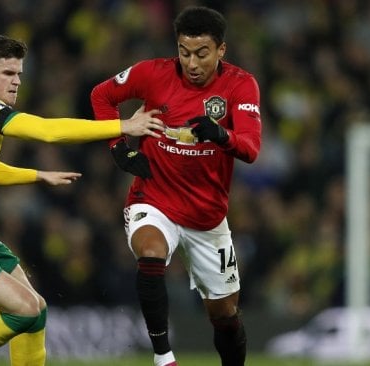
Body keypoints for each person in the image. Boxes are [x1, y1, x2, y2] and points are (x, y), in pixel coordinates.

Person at [0, 32, 164, 366]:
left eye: (20, 73)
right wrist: (123, 125)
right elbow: (47, 131)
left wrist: (37, 175)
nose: (17, 81)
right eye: (8, 73)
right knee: (23, 308)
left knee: (35, 310)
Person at [91, 6, 262, 366]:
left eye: (202, 54)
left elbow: (251, 147)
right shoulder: (152, 73)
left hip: (207, 216)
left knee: (225, 315)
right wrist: (118, 147)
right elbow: (101, 96)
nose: (192, 63)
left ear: (221, 51)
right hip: (154, 197)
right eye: (184, 52)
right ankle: (163, 357)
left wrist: (221, 133)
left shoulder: (240, 85)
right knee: (150, 252)